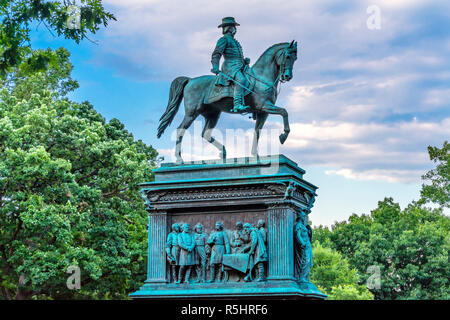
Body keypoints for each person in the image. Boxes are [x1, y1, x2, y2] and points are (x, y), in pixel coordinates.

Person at [211, 16, 251, 113]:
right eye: (234, 27)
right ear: (229, 28)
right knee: (241, 80)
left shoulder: (235, 41)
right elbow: (217, 53)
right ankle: (237, 105)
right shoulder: (224, 40)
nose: (235, 29)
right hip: (230, 66)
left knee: (251, 79)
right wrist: (215, 66)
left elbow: (237, 55)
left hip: (240, 65)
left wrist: (244, 61)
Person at [294, 210, 313, 283]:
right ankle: (302, 277)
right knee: (305, 261)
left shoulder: (303, 226)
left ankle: (305, 277)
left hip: (307, 244)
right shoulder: (298, 225)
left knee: (308, 261)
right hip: (304, 245)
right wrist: (302, 243)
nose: (304, 217)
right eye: (303, 216)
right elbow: (298, 235)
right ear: (300, 217)